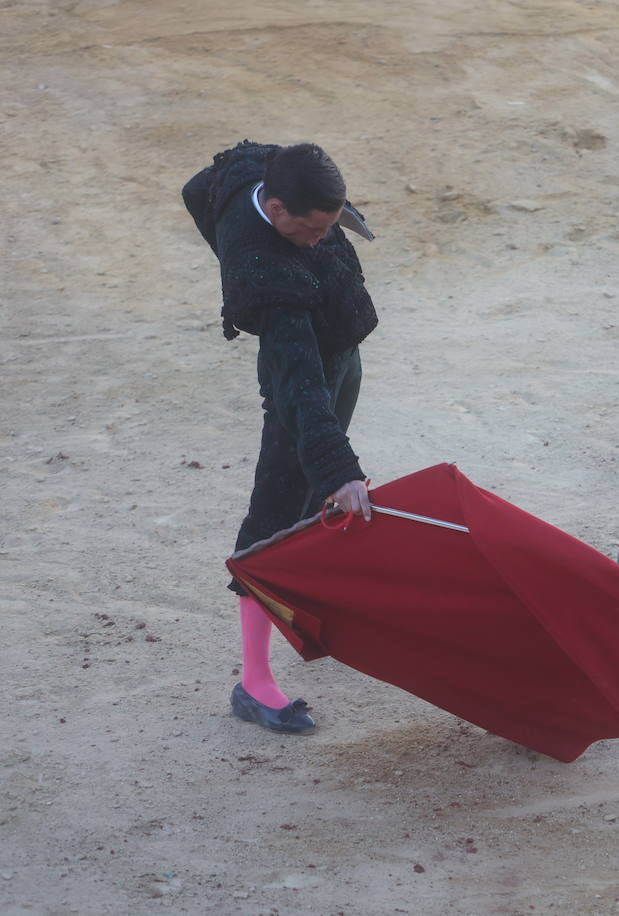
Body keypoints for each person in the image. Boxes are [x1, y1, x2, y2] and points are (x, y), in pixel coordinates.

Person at [183, 140, 378, 735]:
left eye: (330, 225)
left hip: (341, 356)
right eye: (312, 229)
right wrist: (340, 469)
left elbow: (197, 187)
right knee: (275, 516)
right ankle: (253, 683)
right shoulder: (266, 275)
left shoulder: (259, 175)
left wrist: (327, 217)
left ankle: (306, 611)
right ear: (275, 208)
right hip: (303, 371)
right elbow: (300, 388)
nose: (321, 239)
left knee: (313, 500)